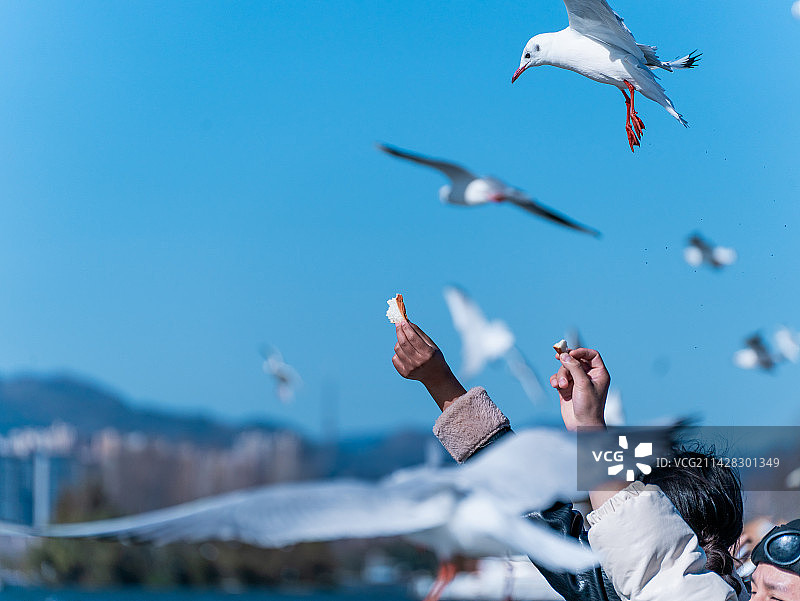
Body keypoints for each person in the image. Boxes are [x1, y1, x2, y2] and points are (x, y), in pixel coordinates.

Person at [392, 319, 747, 601]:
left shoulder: (647, 585)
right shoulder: (747, 590)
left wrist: (441, 385)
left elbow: (641, 549)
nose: (605, 519)